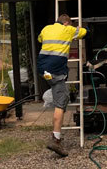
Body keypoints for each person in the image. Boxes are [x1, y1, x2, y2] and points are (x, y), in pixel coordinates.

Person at [37, 13, 87, 157]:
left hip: (43, 70)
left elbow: (40, 39)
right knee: (61, 101)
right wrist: (78, 28)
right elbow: (85, 33)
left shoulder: (46, 29)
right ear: (66, 23)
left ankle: (56, 134)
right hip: (56, 71)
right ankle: (56, 139)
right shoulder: (68, 29)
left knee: (56, 89)